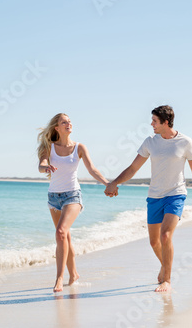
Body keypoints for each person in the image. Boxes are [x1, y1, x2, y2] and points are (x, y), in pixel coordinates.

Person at [105, 105, 192, 292]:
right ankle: (165, 265)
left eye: (154, 121)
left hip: (175, 195)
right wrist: (115, 182)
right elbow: (133, 168)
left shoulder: (185, 142)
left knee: (166, 235)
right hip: (154, 196)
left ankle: (167, 280)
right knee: (154, 242)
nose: (151, 124)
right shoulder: (150, 142)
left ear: (165, 122)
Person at [37, 113, 114, 292]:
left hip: (72, 196)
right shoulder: (49, 147)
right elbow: (41, 164)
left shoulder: (79, 147)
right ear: (57, 128)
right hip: (53, 197)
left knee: (61, 233)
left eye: (69, 121)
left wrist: (107, 183)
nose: (68, 124)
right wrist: (45, 167)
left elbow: (92, 169)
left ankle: (59, 278)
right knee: (65, 237)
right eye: (64, 122)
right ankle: (74, 274)